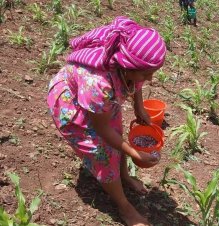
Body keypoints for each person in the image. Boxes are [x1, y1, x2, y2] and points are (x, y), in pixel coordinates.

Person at [47, 16, 167, 226]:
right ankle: (124, 207)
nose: (150, 79)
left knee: (117, 135)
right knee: (101, 151)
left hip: (99, 101)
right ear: (127, 67)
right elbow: (102, 129)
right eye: (147, 74)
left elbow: (135, 82)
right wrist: (134, 151)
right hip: (71, 103)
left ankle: (125, 177)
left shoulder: (126, 62)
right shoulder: (98, 83)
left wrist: (139, 106)